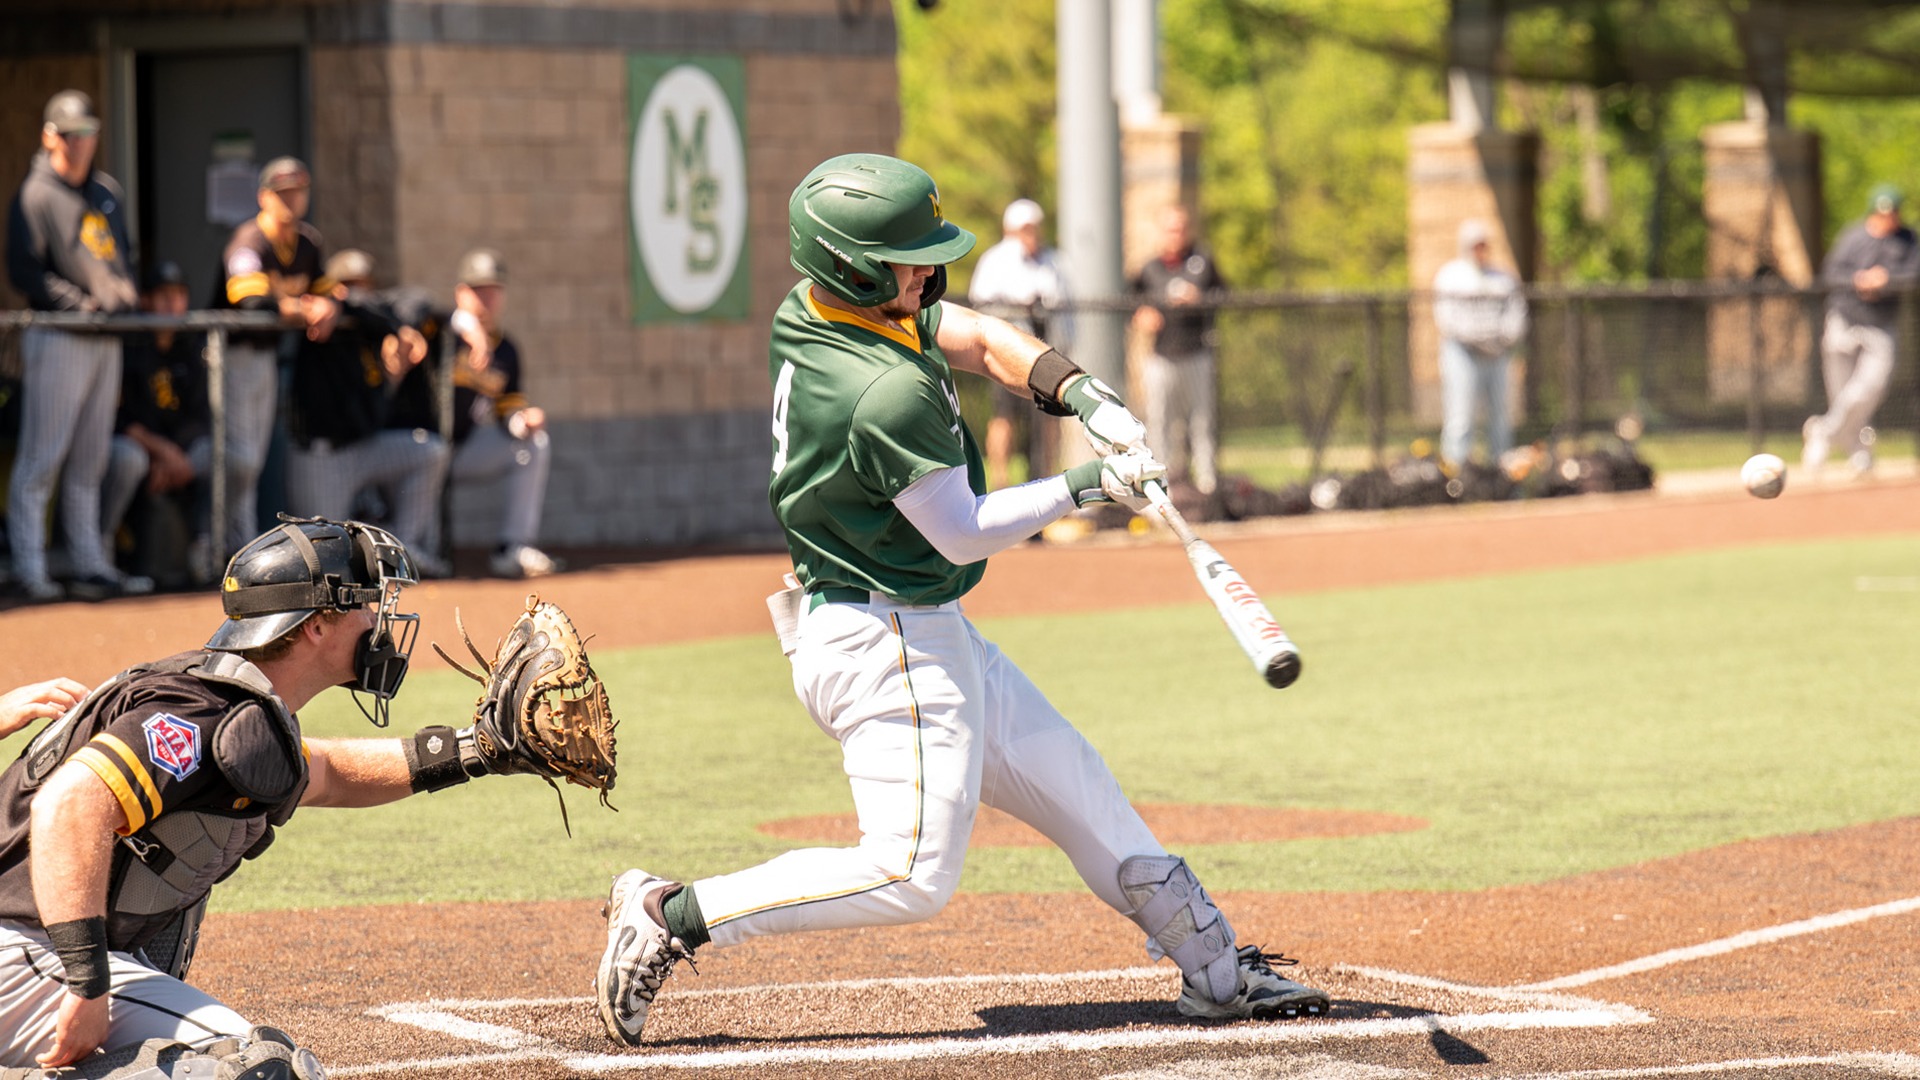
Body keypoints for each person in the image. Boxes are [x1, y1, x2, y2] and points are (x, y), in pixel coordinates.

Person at [594, 153, 1329, 1047]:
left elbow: (978, 338)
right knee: (908, 873)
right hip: (886, 643)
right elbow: (963, 530)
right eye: (908, 258)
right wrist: (1088, 486)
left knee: (1078, 784)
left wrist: (1083, 394)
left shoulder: (823, 309)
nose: (927, 272)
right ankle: (670, 915)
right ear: (856, 268)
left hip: (906, 625)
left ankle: (1215, 971)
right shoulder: (882, 391)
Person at [0, 517, 537, 1073]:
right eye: (365, 603)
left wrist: (481, 750)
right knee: (256, 1069)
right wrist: (87, 983)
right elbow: (67, 805)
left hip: (33, 954)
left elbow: (326, 773)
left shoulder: (240, 717)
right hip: (23, 954)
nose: (378, 621)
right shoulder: (201, 714)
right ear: (316, 626)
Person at [5, 90, 151, 602]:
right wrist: (81, 304)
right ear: (50, 136)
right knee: (42, 458)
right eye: (70, 135)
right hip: (61, 336)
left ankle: (90, 563)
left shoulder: (104, 190)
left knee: (90, 460)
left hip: (105, 338)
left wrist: (123, 292)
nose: (80, 144)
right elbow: (26, 271)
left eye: (86, 134)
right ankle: (30, 567)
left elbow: (121, 254)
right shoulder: (35, 194)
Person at [209, 157, 339, 559]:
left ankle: (237, 546)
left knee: (253, 461)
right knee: (241, 460)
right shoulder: (250, 239)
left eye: (298, 192)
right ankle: (220, 542)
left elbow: (329, 290)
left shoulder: (307, 242)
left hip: (264, 358)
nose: (291, 200)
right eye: (282, 193)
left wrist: (330, 307)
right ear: (264, 197)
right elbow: (248, 301)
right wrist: (303, 309)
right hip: (230, 356)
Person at [282, 249, 447, 563]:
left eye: (362, 284)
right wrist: (341, 306)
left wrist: (400, 330)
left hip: (363, 449)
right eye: (345, 284)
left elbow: (419, 300)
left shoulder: (371, 323)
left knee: (429, 452)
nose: (354, 292)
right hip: (321, 456)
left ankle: (402, 549)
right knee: (324, 559)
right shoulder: (319, 325)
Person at [443, 249, 561, 579]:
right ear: (460, 294)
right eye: (478, 290)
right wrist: (466, 325)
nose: (487, 298)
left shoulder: (506, 349)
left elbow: (507, 408)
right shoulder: (443, 334)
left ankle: (512, 547)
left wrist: (522, 419)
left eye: (494, 290)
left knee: (533, 444)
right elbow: (424, 314)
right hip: (423, 448)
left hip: (465, 452)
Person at [108, 260, 217, 588]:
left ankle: (207, 548)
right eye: (163, 295)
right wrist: (162, 452)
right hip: (139, 448)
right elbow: (120, 417)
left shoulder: (192, 345)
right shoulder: (129, 345)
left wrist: (175, 457)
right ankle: (104, 547)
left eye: (179, 294)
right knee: (130, 460)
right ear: (146, 301)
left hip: (176, 455)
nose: (172, 303)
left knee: (217, 454)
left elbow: (199, 416)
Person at [1803, 184, 1920, 478]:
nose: (1887, 218)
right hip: (1844, 319)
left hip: (1879, 325)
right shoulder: (1854, 236)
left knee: (1871, 386)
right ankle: (1859, 454)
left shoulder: (1907, 240)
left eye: (1891, 212)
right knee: (1841, 393)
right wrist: (1860, 280)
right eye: (1881, 212)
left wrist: (1886, 279)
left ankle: (1824, 432)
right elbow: (1830, 272)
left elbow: (1914, 274)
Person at [968, 198, 1073, 489]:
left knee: (1048, 421)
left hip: (1046, 352)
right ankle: (1000, 482)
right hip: (1007, 354)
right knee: (1005, 417)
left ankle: (1045, 480)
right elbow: (981, 303)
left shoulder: (1054, 262)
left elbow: (1066, 308)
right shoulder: (995, 260)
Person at [1130, 205, 1225, 495]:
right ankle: (1161, 487)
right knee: (1159, 421)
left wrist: (1201, 299)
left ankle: (1207, 487)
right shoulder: (1150, 268)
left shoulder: (1202, 261)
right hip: (1161, 357)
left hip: (1197, 352)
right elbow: (1128, 302)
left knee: (1201, 422)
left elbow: (1225, 294)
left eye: (1181, 228)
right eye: (1171, 229)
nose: (1177, 235)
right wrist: (1141, 314)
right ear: (1162, 232)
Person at [1432, 219, 1528, 470]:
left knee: (1500, 417)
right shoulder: (1450, 276)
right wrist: (1479, 339)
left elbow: (1517, 317)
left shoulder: (1503, 278)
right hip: (1463, 354)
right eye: (1475, 245)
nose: (1479, 250)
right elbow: (1447, 319)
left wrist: (1499, 340)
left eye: (1483, 244)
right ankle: (1455, 476)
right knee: (1460, 418)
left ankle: (1501, 475)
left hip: (1497, 355)